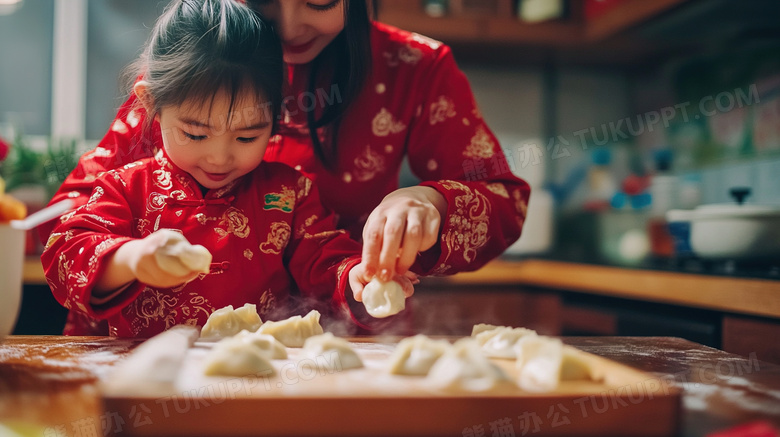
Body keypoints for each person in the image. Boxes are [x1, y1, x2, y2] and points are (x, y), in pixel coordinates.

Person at [43, 0, 531, 336]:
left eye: (318, 2)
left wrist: (429, 203)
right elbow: (72, 224)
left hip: (317, 351)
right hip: (145, 365)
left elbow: (500, 198)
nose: (290, 27)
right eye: (264, 2)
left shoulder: (412, 69)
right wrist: (130, 258)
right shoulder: (197, 64)